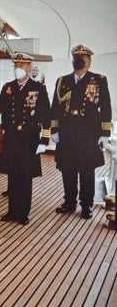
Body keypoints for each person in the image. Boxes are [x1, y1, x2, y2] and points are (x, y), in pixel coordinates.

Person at [0, 53, 50, 225]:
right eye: (16, 64)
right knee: (12, 175)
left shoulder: (38, 88)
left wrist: (44, 140)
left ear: (29, 67)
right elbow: (0, 106)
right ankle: (12, 210)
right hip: (12, 138)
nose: (18, 67)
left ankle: (23, 213)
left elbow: (46, 116)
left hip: (29, 140)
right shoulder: (8, 87)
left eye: (22, 64)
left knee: (25, 177)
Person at [51, 44, 112, 219]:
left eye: (82, 58)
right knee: (67, 169)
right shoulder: (63, 81)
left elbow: (106, 108)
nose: (79, 61)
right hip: (67, 132)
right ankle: (69, 201)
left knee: (87, 170)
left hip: (88, 133)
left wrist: (105, 133)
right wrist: (54, 129)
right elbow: (55, 107)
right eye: (76, 58)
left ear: (89, 62)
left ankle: (87, 205)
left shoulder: (99, 80)